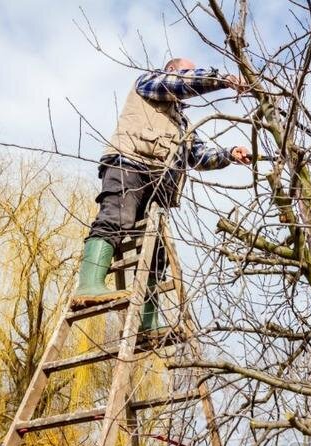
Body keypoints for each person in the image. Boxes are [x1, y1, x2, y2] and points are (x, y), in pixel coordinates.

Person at [71, 58, 251, 329]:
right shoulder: (150, 82)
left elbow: (198, 157)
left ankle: (147, 322)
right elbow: (181, 84)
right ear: (173, 71)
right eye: (188, 71)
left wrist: (229, 154)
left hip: (158, 186)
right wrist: (223, 79)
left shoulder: (182, 122)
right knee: (116, 219)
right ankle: (89, 285)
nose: (192, 75)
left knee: (157, 253)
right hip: (129, 164)